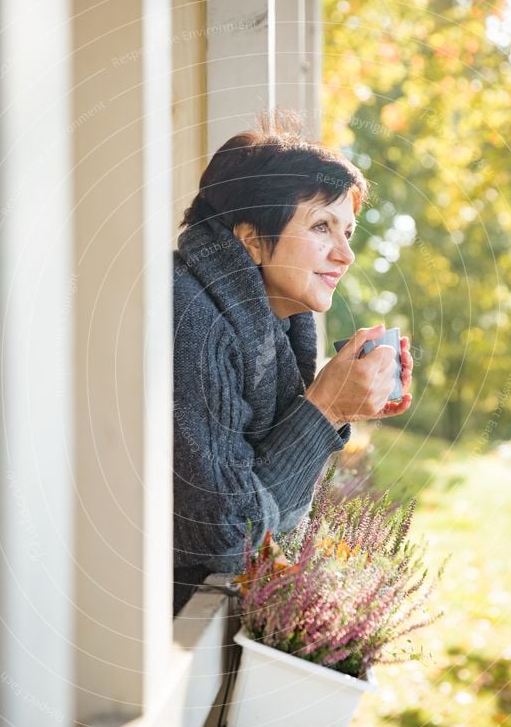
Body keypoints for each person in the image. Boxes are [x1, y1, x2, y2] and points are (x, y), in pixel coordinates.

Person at [172, 111, 413, 615]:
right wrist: (325, 409)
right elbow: (229, 537)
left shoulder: (274, 329)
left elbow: (274, 503)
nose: (345, 254)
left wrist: (342, 396)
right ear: (251, 239)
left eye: (347, 231)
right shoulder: (192, 319)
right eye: (322, 226)